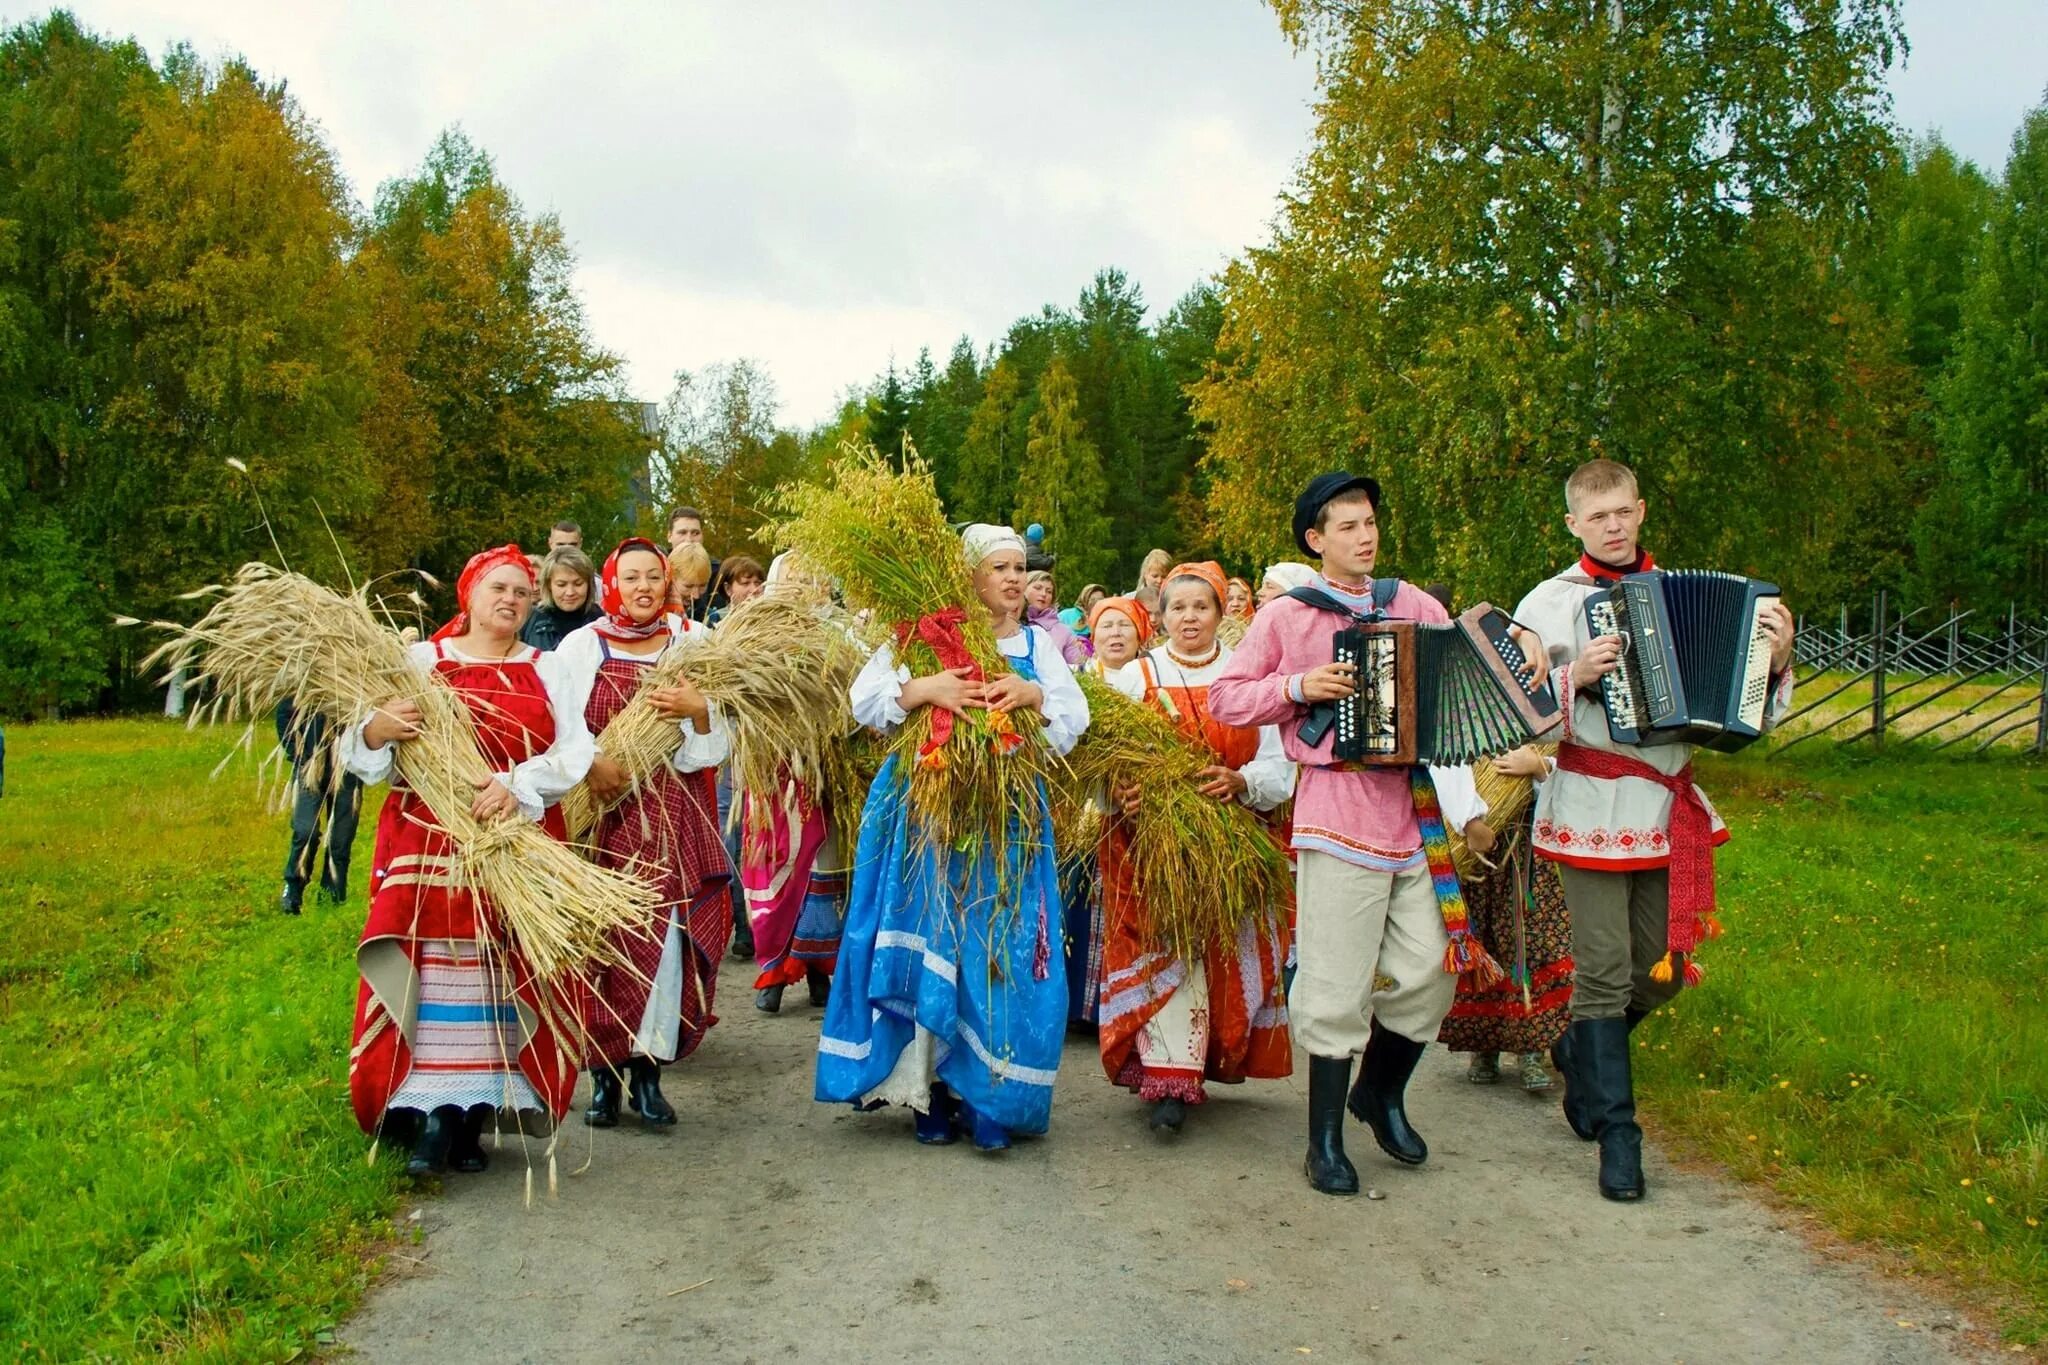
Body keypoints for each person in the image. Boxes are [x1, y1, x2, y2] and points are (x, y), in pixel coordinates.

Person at [1513, 458, 1795, 1202]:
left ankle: (1579, 1047)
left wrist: (1781, 654)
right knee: (1604, 970)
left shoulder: (1690, 595)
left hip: (1667, 806)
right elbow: (1512, 711)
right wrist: (1573, 678)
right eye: (1595, 515)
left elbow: (1751, 707)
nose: (1612, 525)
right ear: (1572, 522)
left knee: (1660, 973)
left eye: (1622, 512)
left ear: (1641, 511)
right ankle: (1618, 1135)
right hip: (1589, 805)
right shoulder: (1548, 604)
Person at [1208, 473, 1494, 1197]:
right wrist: (1299, 688)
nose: (1364, 536)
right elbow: (1227, 697)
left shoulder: (1413, 603)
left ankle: (1380, 1092)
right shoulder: (1287, 617)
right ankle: (1324, 1141)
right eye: (1347, 526)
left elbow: (1456, 678)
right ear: (1316, 540)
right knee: (1334, 981)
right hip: (1336, 811)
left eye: (1369, 522)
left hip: (1412, 811)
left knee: (1432, 965)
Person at [816, 524, 1088, 1152]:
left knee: (996, 945)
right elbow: (865, 702)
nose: (1014, 579)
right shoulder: (926, 631)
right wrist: (924, 689)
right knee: (934, 934)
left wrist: (1035, 694)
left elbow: (1075, 718)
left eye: (1020, 568)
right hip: (925, 815)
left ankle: (987, 1093)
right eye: (999, 568)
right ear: (971, 577)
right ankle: (928, 1090)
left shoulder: (1038, 644)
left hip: (1005, 817)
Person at [337, 545, 594, 1178]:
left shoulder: (550, 667)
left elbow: (574, 750)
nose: (510, 600)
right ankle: (427, 1113)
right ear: (470, 595)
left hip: (515, 839)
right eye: (498, 589)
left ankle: (473, 1114)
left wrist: (517, 784)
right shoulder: (420, 662)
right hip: (427, 839)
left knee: (498, 975)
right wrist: (375, 729)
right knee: (435, 970)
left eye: (521, 593)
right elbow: (361, 742)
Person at [1100, 562, 1295, 1132]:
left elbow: (1279, 763)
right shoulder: (1133, 680)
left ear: (1221, 613)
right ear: (1159, 618)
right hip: (1150, 848)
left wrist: (1241, 782)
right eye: (1178, 608)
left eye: (1201, 607)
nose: (1190, 617)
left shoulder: (1248, 675)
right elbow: (1102, 760)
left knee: (1224, 950)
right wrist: (1121, 791)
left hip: (1232, 843)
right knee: (1169, 947)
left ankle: (1215, 1056)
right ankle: (1169, 1077)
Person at [554, 539, 732, 1129]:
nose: (643, 587)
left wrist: (700, 708)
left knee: (661, 944)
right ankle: (602, 1077)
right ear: (612, 583)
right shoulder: (581, 646)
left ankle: (647, 1073)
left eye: (653, 576)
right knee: (601, 942)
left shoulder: (692, 646)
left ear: (668, 581)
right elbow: (557, 726)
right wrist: (590, 764)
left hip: (670, 817)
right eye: (630, 577)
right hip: (598, 819)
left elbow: (716, 746)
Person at [742, 552, 850, 1014]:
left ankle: (821, 972)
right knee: (774, 870)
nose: (802, 588)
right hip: (771, 772)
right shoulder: (752, 635)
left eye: (811, 579)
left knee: (824, 871)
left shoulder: (842, 637)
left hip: (826, 770)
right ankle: (773, 971)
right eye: (792, 579)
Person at [1436, 745, 1571, 1091]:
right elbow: (1447, 763)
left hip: (1525, 843)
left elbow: (1570, 766)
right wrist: (1469, 818)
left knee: (1528, 939)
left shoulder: (1546, 709)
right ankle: (1485, 1044)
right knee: (1483, 937)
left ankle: (1532, 1047)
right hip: (1476, 842)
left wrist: (1540, 765)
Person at [1059, 594, 1153, 1030]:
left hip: (1139, 809)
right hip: (1086, 810)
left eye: (1125, 626)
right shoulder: (1078, 681)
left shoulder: (1154, 684)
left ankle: (1122, 1002)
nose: (1115, 634)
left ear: (1142, 634)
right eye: (1106, 627)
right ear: (1092, 636)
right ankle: (1080, 1004)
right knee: (1079, 898)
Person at [276, 698, 364, 913]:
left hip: (348, 771)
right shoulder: (308, 683)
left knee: (340, 840)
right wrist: (298, 753)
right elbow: (284, 715)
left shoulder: (355, 686)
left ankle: (332, 897)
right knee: (306, 831)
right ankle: (293, 888)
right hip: (310, 768)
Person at [521, 546, 603, 651]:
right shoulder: (530, 619)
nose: (570, 592)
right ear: (548, 585)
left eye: (578, 584)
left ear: (589, 584)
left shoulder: (599, 620)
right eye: (561, 585)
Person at [668, 507, 724, 622]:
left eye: (695, 533)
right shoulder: (652, 571)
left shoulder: (718, 572)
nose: (689, 539)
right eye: (682, 532)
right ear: (669, 536)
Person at [1025, 569, 1090, 665]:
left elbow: (1078, 667)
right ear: (1022, 589)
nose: (1043, 594)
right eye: (1038, 588)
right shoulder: (1008, 621)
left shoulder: (1063, 631)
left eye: (1049, 591)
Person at [710, 555, 766, 624]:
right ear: (728, 589)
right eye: (745, 583)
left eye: (757, 583)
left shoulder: (771, 617)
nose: (754, 589)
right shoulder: (716, 620)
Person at [668, 543, 713, 619]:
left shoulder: (709, 617)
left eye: (703, 585)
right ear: (670, 579)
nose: (696, 595)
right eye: (688, 586)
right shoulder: (648, 615)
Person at [1133, 548, 1172, 620]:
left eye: (1164, 576)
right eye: (1155, 576)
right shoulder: (1130, 599)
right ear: (1145, 574)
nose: (1159, 581)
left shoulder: (1174, 600)